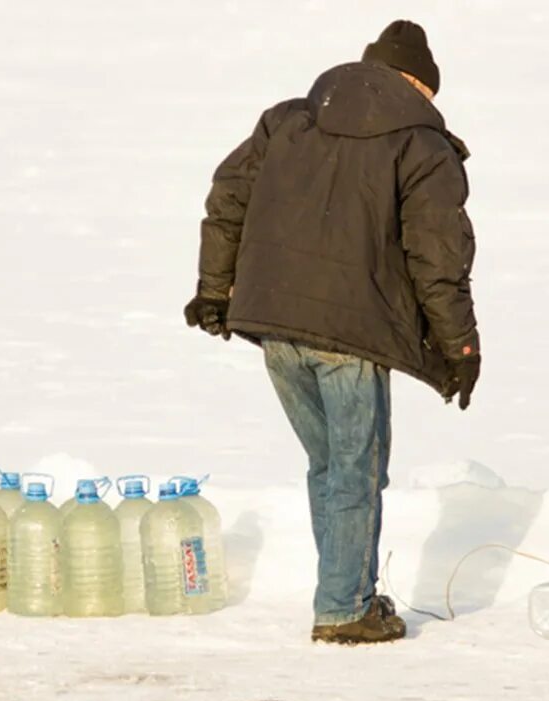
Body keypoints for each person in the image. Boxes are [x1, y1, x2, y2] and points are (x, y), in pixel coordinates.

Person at [186, 20, 481, 644]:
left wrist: (215, 292)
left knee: (329, 467)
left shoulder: (287, 122)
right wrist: (459, 344)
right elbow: (438, 258)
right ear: (415, 85)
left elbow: (226, 201)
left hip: (273, 325)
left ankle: (343, 592)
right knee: (354, 469)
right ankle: (345, 607)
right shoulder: (421, 146)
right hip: (350, 334)